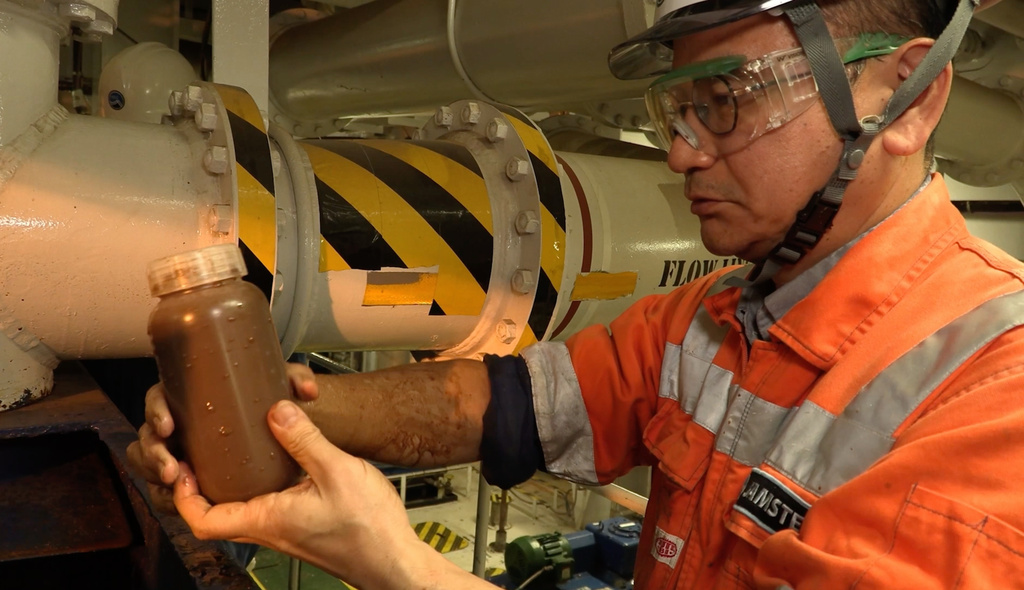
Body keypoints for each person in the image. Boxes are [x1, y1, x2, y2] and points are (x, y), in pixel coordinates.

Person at [128, 0, 1024, 587]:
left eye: (729, 99)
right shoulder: (711, 319)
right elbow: (503, 402)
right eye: (674, 110)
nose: (681, 152)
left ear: (906, 100)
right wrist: (271, 410)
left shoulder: (994, 393)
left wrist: (395, 560)